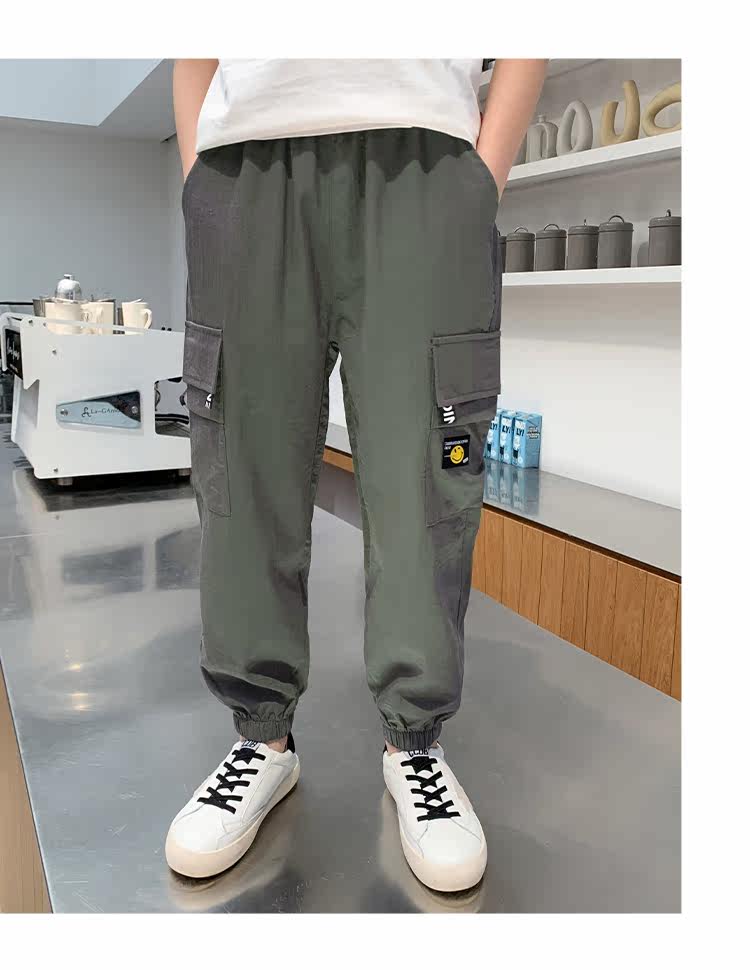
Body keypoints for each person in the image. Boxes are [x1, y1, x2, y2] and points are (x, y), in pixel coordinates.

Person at [165, 58, 546, 891]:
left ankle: (416, 747)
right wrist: (200, 176)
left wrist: (480, 179)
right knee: (243, 474)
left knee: (423, 482)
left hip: (424, 162)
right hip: (246, 166)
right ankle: (260, 737)